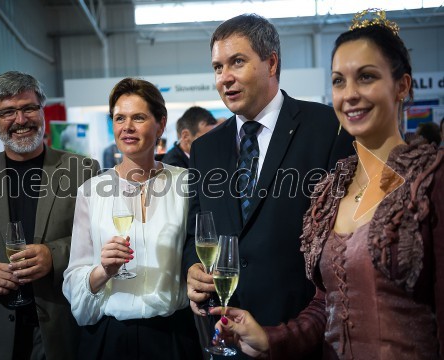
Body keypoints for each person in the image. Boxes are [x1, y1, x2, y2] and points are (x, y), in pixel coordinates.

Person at [211, 9, 443, 359]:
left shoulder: (431, 182)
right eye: (338, 81)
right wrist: (270, 339)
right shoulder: (332, 191)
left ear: (403, 86)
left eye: (366, 77)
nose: (349, 94)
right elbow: (327, 305)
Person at [182, 13, 354, 359]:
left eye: (237, 62)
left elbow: (342, 240)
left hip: (301, 336)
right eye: (217, 67)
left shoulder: (327, 129)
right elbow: (195, 229)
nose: (225, 78)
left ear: (271, 62)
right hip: (226, 336)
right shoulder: (205, 148)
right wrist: (192, 268)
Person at [0, 71, 100, 360]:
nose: (20, 120)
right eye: (7, 112)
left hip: (63, 329)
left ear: (42, 111)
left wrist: (54, 255)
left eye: (28, 108)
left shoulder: (82, 170)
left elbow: (101, 239)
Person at [63, 77, 202, 360]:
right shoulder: (90, 191)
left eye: (138, 117)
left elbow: (198, 253)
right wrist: (103, 270)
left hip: (172, 336)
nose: (127, 127)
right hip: (109, 338)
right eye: (119, 118)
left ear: (161, 124)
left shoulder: (187, 184)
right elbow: (74, 278)